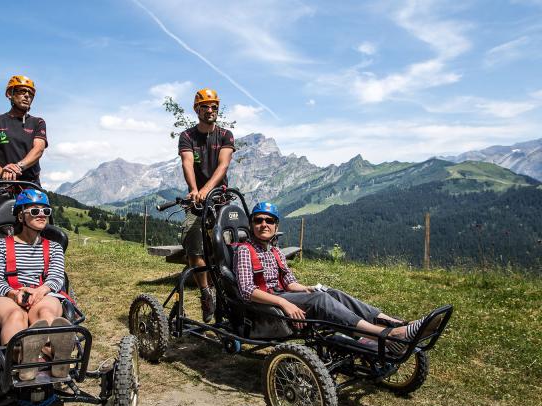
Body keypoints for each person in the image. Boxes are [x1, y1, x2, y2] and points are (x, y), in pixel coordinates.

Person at [233, 202, 422, 354]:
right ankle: (387, 335)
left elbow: (290, 282)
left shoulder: (275, 251)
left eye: (269, 220)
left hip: (282, 295)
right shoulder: (244, 250)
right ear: (251, 224)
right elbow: (247, 291)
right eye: (258, 220)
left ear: (276, 226)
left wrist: (306, 288)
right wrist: (285, 304)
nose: (264, 224)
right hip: (266, 306)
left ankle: (395, 323)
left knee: (331, 293)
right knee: (320, 299)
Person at [0, 188, 73, 380]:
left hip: (42, 293)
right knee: (15, 314)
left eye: (45, 211)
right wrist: (13, 294)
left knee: (46, 312)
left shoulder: (55, 247)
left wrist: (40, 291)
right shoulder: (0, 245)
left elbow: (57, 277)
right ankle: (22, 357)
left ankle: (55, 354)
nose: (41, 215)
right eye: (34, 211)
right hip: (6, 295)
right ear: (20, 216)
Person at [178, 88, 235, 321]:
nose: (211, 110)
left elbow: (223, 166)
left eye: (214, 107)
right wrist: (194, 190)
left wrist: (205, 190)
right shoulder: (187, 136)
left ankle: (229, 292)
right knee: (193, 243)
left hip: (221, 199)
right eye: (206, 107)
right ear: (197, 109)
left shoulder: (225, 134)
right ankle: (205, 292)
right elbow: (187, 163)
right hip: (197, 201)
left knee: (228, 247)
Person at [0, 75, 48, 186]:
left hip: (30, 184)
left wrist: (18, 166)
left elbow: (39, 149)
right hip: (2, 183)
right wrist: (1, 172)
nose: (27, 96)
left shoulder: (38, 122)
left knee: (37, 204)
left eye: (31, 94)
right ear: (10, 94)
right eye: (22, 91)